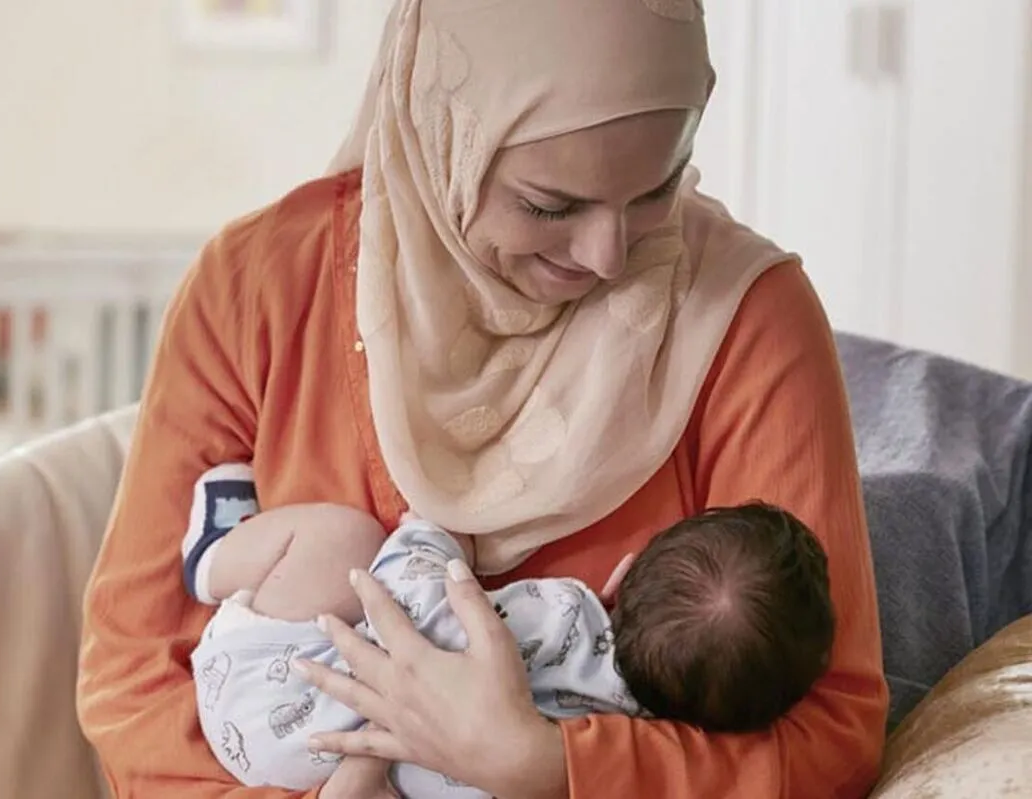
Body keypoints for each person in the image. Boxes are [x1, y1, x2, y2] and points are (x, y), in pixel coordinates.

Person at [77, 1, 889, 797]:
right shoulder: (256, 285)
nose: (608, 258)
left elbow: (832, 733)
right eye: (549, 205)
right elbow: (137, 681)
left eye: (656, 188)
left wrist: (551, 767)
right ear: (444, 133)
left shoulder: (749, 318)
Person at [184, 465, 836, 798]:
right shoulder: (612, 749)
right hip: (317, 769)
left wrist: (434, 534)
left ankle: (214, 552)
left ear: (624, 571)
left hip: (264, 696)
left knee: (345, 542)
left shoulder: (561, 617)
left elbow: (414, 604)